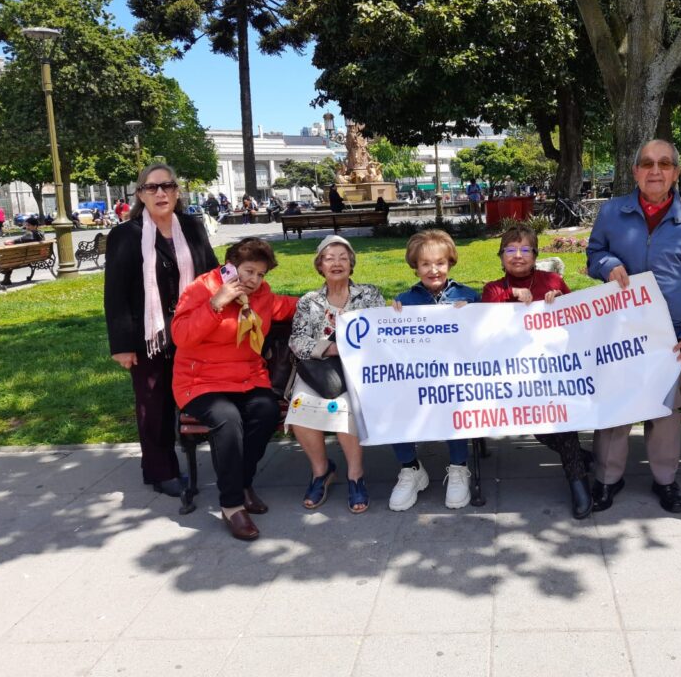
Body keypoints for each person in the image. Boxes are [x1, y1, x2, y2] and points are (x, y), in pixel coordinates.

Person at [586, 139, 681, 514]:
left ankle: (666, 481)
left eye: (664, 164)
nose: (655, 171)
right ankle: (608, 479)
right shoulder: (611, 212)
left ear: (675, 172)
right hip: (620, 330)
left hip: (669, 335)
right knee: (617, 407)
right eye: (646, 163)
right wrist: (607, 264)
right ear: (635, 171)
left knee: (664, 411)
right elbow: (593, 254)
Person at [171, 238, 298, 540]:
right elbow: (182, 336)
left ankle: (242, 482)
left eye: (261, 274)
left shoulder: (263, 296)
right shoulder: (202, 288)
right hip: (200, 380)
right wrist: (216, 303)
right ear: (230, 267)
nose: (254, 280)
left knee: (266, 410)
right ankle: (231, 505)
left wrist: (341, 299)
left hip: (247, 378)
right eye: (249, 271)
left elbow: (295, 306)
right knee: (227, 419)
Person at [104, 163, 218, 497]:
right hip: (149, 336)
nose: (160, 193)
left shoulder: (193, 227)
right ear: (140, 195)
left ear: (177, 191)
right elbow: (116, 294)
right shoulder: (126, 235)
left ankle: (197, 453)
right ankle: (160, 469)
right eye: (151, 188)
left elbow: (211, 274)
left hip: (192, 331)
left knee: (192, 397)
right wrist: (122, 345)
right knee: (153, 405)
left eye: (167, 186)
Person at [482, 227, 593, 519]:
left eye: (525, 249)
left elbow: (577, 320)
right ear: (501, 255)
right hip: (512, 375)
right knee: (537, 421)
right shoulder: (493, 289)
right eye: (510, 249)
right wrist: (512, 294)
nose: (517, 256)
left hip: (553, 373)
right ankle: (580, 459)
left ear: (535, 256)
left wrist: (561, 301)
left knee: (557, 416)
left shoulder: (553, 281)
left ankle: (578, 481)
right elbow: (487, 323)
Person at [286, 235, 385, 513]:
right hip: (320, 371)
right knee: (300, 407)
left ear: (351, 264)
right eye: (329, 258)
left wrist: (353, 350)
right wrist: (330, 348)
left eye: (343, 257)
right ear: (320, 266)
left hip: (358, 372)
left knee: (344, 408)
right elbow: (297, 340)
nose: (337, 263)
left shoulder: (370, 294)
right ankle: (321, 471)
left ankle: (356, 475)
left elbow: (380, 330)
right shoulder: (309, 301)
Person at [388, 230, 480, 511]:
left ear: (450, 263)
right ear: (415, 267)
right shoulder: (405, 299)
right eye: (425, 264)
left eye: (440, 262)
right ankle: (410, 468)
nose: (433, 269)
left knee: (455, 396)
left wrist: (473, 314)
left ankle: (458, 466)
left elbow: (486, 338)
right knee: (389, 398)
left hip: (458, 376)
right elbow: (390, 345)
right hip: (417, 377)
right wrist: (390, 319)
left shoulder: (468, 296)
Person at [0, 216, 45, 285]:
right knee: (9, 257)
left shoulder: (31, 234)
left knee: (7, 258)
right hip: (34, 256)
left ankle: (6, 277)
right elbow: (22, 239)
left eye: (29, 225)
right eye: (26, 225)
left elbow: (23, 239)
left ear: (35, 226)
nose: (27, 227)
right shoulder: (41, 234)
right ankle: (6, 278)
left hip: (24, 257)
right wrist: (13, 241)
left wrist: (12, 241)